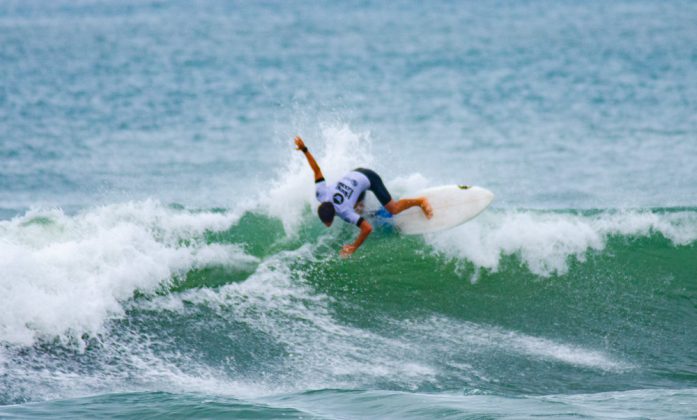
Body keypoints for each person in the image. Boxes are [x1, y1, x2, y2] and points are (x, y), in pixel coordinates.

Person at [295, 136, 432, 257]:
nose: (326, 225)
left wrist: (354, 247)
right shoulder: (321, 193)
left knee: (393, 209)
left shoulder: (344, 211)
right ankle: (373, 213)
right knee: (359, 210)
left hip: (370, 179)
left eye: (327, 223)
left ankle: (420, 201)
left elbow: (367, 229)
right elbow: (317, 170)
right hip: (355, 175)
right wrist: (304, 149)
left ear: (333, 216)